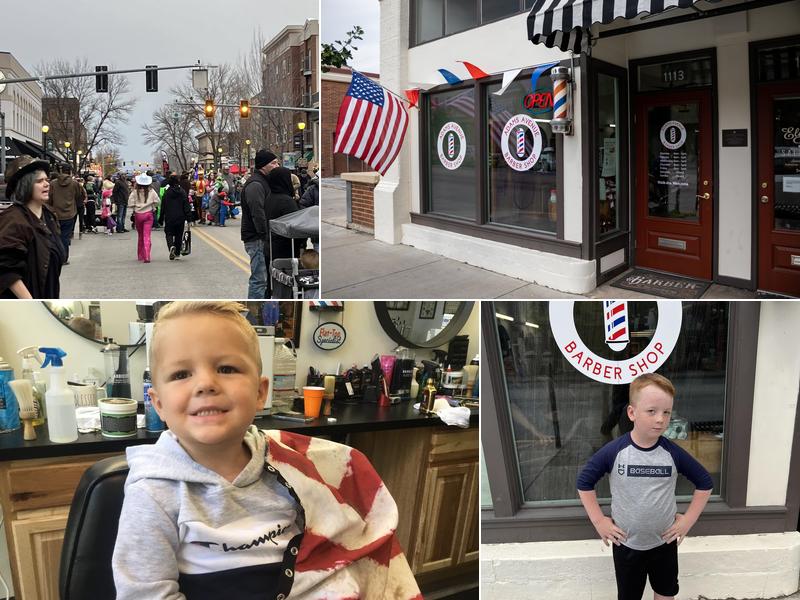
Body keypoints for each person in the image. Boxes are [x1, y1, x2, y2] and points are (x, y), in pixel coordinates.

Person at [111, 301, 421, 599]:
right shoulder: (153, 492)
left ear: (261, 393)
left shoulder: (288, 464)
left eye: (227, 368)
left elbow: (328, 548)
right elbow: (146, 594)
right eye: (181, 374)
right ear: (159, 404)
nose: (205, 383)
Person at [577, 373, 713, 600]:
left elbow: (704, 483)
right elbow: (584, 482)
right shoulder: (615, 451)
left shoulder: (672, 453)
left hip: (664, 542)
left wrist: (688, 520)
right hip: (627, 545)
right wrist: (599, 521)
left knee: (665, 591)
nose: (660, 419)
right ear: (632, 413)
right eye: (652, 411)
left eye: (666, 412)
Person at [0, 156, 66, 298]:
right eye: (39, 181)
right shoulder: (13, 219)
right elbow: (6, 270)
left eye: (47, 180)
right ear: (26, 184)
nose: (46, 184)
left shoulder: (49, 215)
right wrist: (32, 304)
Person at [241, 150, 279, 299]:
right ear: (263, 165)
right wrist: (264, 235)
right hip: (256, 238)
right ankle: (255, 306)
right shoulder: (255, 184)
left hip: (261, 237)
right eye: (273, 163)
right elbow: (257, 213)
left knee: (265, 278)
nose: (276, 166)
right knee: (259, 279)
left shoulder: (264, 181)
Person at [46, 163, 82, 264]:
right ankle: (64, 258)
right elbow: (79, 196)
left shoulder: (53, 184)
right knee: (65, 237)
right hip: (70, 213)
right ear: (70, 171)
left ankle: (55, 257)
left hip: (55, 214)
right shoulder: (75, 183)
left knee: (55, 236)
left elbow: (48, 198)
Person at [265, 166, 300, 263]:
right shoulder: (286, 201)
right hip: (286, 249)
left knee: (271, 276)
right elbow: (296, 226)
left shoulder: (269, 197)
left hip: (270, 246)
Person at [161, 174, 192, 260]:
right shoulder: (182, 192)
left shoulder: (167, 193)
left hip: (169, 217)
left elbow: (163, 206)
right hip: (180, 217)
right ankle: (177, 252)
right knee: (179, 234)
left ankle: (171, 246)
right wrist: (189, 218)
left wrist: (160, 218)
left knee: (169, 233)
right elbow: (186, 206)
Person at [129, 173, 159, 263]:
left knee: (140, 235)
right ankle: (147, 255)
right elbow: (157, 201)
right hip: (148, 214)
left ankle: (140, 255)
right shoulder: (151, 191)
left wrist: (135, 208)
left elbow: (130, 203)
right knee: (147, 235)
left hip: (138, 215)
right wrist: (153, 206)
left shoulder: (135, 192)